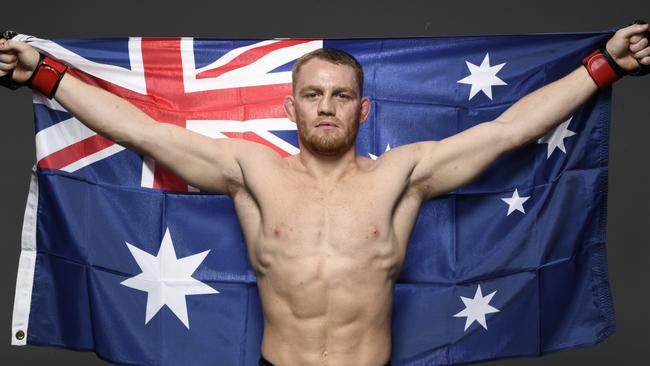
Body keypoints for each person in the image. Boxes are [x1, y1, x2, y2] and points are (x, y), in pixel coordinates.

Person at [0, 23, 648, 366]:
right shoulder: (249, 169)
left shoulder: (405, 174)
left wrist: (606, 64)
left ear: (363, 109)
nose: (327, 108)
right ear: (292, 107)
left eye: (341, 96)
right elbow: (137, 129)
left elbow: (512, 129)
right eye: (313, 96)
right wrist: (46, 75)